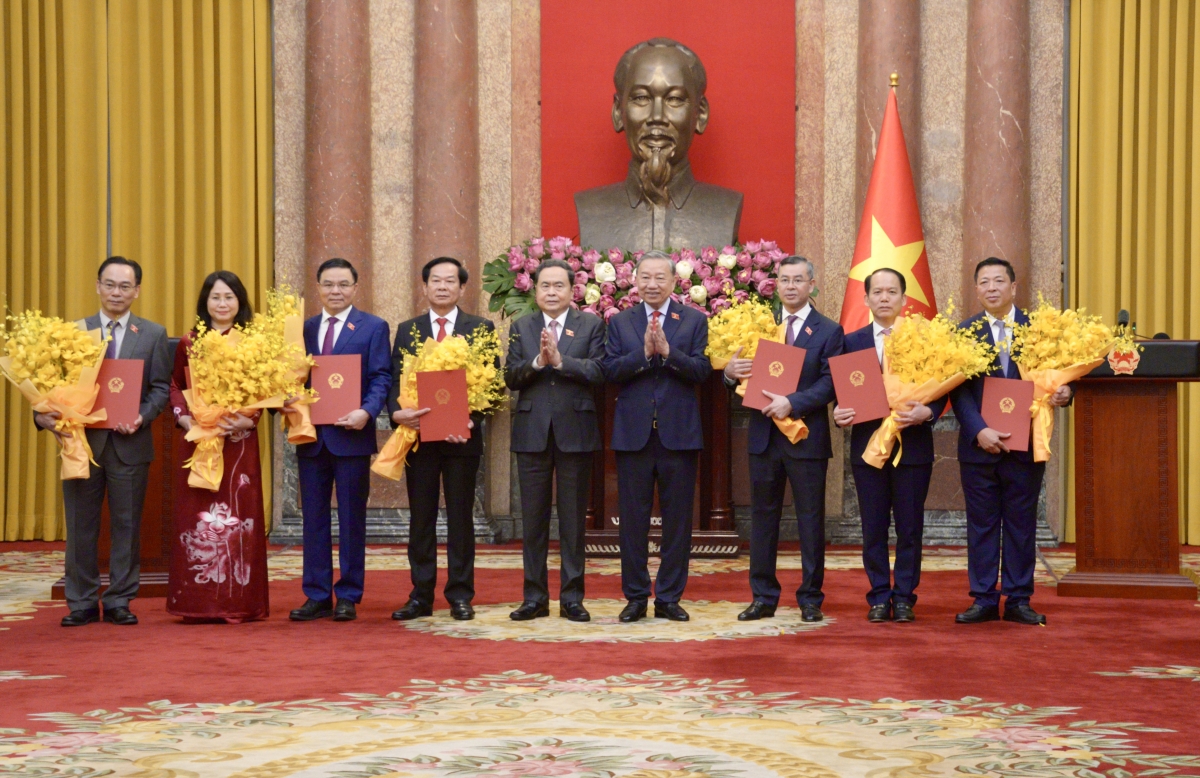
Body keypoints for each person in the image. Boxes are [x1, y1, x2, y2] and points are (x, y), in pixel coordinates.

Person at [36, 257, 171, 627]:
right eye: (109, 284)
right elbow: (49, 386)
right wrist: (41, 415)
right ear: (97, 286)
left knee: (127, 526)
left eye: (125, 286)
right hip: (82, 443)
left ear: (137, 291)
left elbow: (161, 388)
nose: (116, 292)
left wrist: (143, 415)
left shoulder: (153, 334)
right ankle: (81, 601)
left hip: (130, 444)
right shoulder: (73, 333)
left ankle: (119, 600)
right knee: (80, 527)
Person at [950, 257, 1072, 626]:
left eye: (999, 280)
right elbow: (957, 391)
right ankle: (984, 599)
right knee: (981, 525)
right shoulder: (964, 333)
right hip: (978, 447)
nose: (991, 287)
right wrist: (979, 430)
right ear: (976, 289)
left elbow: (1061, 375)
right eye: (984, 282)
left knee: (1021, 524)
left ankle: (1019, 599)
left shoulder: (1039, 330)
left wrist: (1066, 391)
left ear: (1014, 287)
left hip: (1026, 445)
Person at [724, 256, 844, 623]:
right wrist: (729, 373)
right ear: (776, 285)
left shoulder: (829, 330)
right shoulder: (760, 325)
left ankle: (810, 598)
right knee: (763, 519)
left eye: (798, 280)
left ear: (811, 285)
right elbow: (741, 375)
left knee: (810, 519)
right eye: (784, 280)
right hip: (764, 438)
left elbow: (830, 383)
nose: (790, 286)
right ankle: (762, 597)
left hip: (805, 437)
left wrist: (792, 403)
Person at [602, 250, 711, 623]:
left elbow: (701, 371)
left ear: (674, 282)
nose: (652, 284)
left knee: (678, 522)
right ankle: (635, 597)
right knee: (632, 522)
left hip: (678, 436)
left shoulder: (693, 320)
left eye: (659, 277)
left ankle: (668, 597)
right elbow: (610, 371)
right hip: (633, 436)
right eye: (645, 277)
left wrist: (668, 352)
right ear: (634, 281)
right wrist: (644, 355)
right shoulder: (620, 322)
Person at [389, 257, 497, 622]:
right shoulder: (408, 330)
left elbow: (492, 384)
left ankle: (461, 595)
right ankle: (420, 595)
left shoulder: (479, 328)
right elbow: (394, 379)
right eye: (435, 280)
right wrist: (397, 413)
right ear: (424, 287)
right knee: (420, 519)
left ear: (462, 288)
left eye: (450, 281)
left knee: (461, 519)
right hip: (419, 439)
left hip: (460, 441)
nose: (442, 286)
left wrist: (471, 419)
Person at [834, 267, 943, 623]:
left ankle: (905, 597)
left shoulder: (924, 340)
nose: (884, 298)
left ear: (904, 298)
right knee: (873, 527)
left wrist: (929, 411)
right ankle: (879, 596)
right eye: (877, 292)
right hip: (868, 449)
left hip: (912, 447)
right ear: (866, 298)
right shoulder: (851, 341)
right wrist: (838, 412)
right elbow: (840, 391)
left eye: (891, 292)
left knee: (910, 528)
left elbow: (943, 385)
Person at [504, 259, 606, 623]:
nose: (551, 292)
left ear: (572, 290)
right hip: (532, 433)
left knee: (573, 521)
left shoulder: (591, 325)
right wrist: (536, 362)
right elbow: (510, 377)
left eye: (558, 285)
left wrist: (562, 362)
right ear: (535, 291)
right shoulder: (522, 326)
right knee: (533, 521)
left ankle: (572, 598)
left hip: (575, 432)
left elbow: (600, 371)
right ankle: (534, 598)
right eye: (544, 285)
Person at [291, 258, 392, 622]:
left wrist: (367, 411)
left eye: (343, 284)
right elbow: (290, 377)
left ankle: (348, 594)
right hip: (311, 438)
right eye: (329, 284)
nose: (336, 291)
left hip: (352, 436)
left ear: (355, 288)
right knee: (313, 519)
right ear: (318, 287)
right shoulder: (302, 329)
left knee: (352, 519)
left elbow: (381, 377)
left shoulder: (373, 327)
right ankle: (316, 594)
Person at [574, 37, 742, 252]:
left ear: (700, 114)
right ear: (618, 112)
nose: (657, 117)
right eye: (641, 98)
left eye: (675, 99)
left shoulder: (726, 208)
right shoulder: (591, 208)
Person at [167, 271, 268, 623]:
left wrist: (250, 419)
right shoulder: (190, 342)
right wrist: (184, 419)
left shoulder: (255, 343)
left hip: (238, 443)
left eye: (229, 297)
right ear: (205, 302)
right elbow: (175, 385)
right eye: (215, 297)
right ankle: (197, 603)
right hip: (199, 441)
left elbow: (267, 389)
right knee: (197, 515)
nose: (222, 303)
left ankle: (238, 602)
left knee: (239, 513)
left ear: (240, 302)